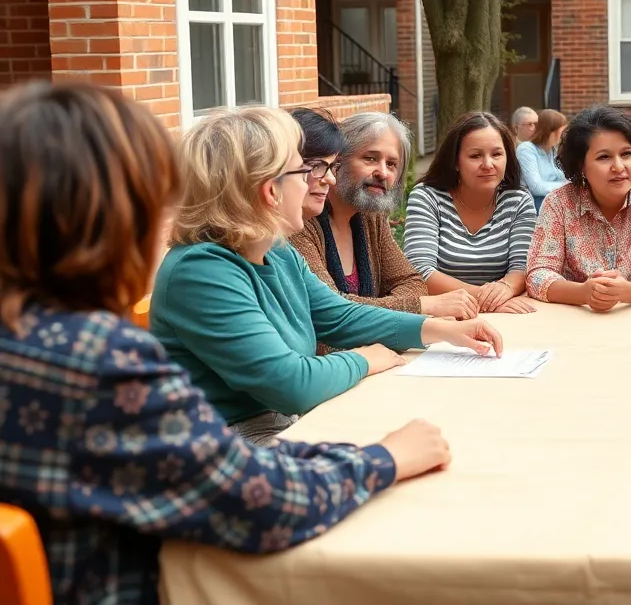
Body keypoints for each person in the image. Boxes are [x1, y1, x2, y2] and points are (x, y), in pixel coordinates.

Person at [0, 82, 456, 604]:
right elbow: (262, 500)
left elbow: (217, 464)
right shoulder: (99, 361)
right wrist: (385, 458)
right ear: (121, 215)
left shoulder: (36, 339)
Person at [151, 106, 502, 445]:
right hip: (227, 445)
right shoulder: (202, 272)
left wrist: (442, 330)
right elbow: (291, 384)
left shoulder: (275, 250)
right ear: (269, 190)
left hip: (282, 425)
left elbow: (338, 315)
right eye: (303, 172)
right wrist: (363, 358)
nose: (317, 183)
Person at [290, 111, 478, 322]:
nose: (383, 173)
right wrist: (423, 306)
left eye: (391, 164)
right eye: (370, 158)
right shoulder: (300, 220)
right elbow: (332, 310)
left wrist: (384, 312)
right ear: (338, 161)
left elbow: (411, 281)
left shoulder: (371, 217)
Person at [526, 106, 631, 310]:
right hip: (575, 322)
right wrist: (584, 293)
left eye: (626, 154)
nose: (619, 167)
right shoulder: (559, 203)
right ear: (581, 166)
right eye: (604, 157)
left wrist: (628, 291)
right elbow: (538, 274)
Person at [404, 112, 537, 314]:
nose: (488, 164)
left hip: (506, 316)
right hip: (441, 316)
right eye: (475, 156)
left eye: (497, 154)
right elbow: (419, 270)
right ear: (456, 161)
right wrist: (486, 299)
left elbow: (523, 267)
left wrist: (505, 287)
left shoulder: (518, 200)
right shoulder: (427, 197)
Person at [517, 108, 568, 210]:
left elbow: (564, 177)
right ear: (551, 132)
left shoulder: (552, 150)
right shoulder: (526, 149)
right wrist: (567, 186)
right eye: (561, 132)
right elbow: (536, 187)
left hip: (553, 202)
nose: (563, 136)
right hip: (535, 205)